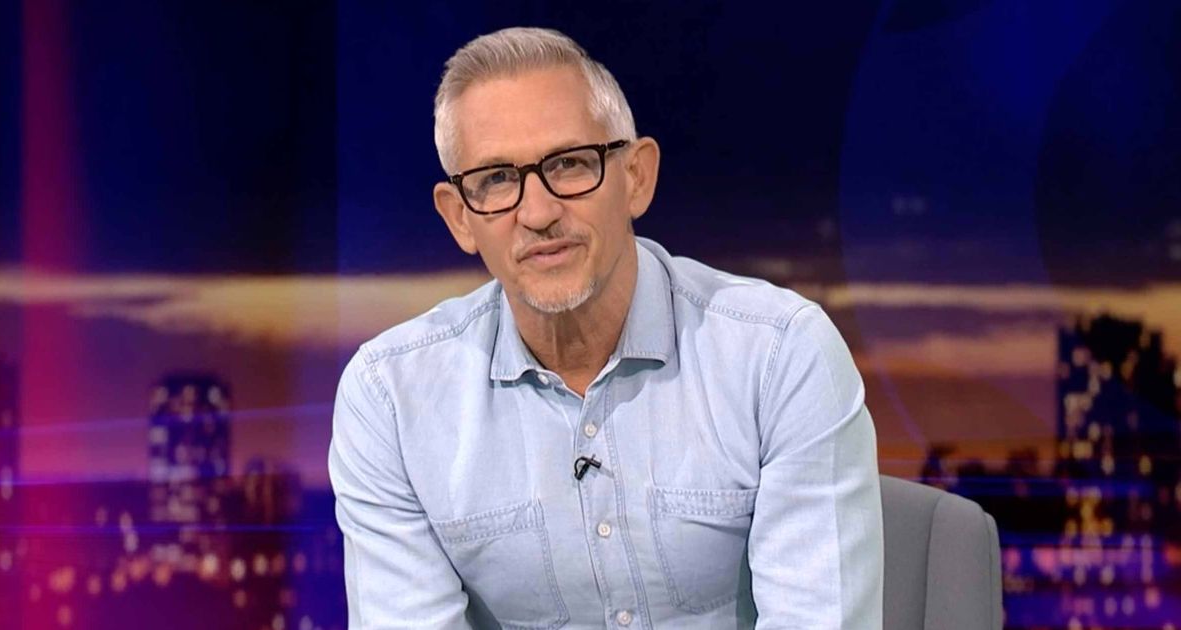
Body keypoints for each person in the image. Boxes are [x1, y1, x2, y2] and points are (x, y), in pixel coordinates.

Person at [329, 26, 883, 629]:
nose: (538, 213)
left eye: (569, 164)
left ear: (636, 177)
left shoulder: (779, 355)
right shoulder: (390, 399)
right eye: (496, 180)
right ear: (460, 217)